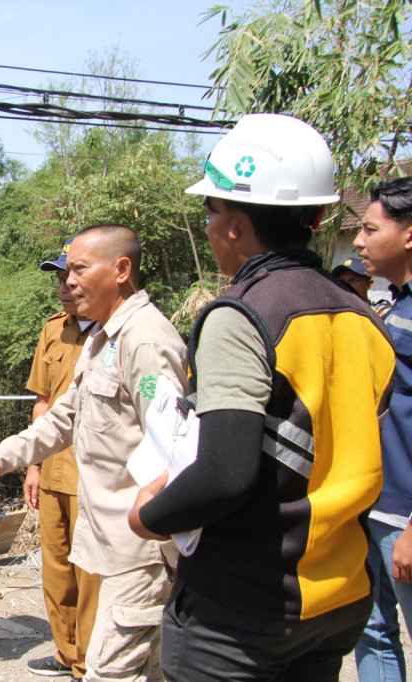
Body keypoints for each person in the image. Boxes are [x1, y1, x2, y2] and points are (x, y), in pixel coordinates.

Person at [128, 113, 394, 681]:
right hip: (338, 596)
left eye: (211, 211)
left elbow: (224, 474)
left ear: (235, 226)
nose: (208, 226)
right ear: (318, 217)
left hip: (246, 605)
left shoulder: (242, 316)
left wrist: (148, 517)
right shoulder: (362, 316)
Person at [0, 223, 188, 682]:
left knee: (109, 672)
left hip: (139, 552)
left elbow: (172, 451)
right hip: (113, 545)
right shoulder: (105, 339)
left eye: (79, 269)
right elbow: (63, 418)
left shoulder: (146, 341)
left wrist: (157, 539)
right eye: (66, 272)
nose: (68, 281)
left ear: (121, 270)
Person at [23, 237, 101, 679]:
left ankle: (89, 664)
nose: (64, 287)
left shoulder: (118, 331)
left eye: (71, 277)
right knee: (57, 570)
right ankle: (66, 653)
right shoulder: (53, 329)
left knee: (92, 575)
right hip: (53, 468)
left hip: (96, 474)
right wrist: (33, 465)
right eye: (58, 279)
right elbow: (42, 402)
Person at [353, 175, 412, 682]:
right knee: (371, 632)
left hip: (404, 517)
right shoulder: (391, 304)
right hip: (372, 503)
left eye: (371, 229)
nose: (358, 240)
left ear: (409, 234)